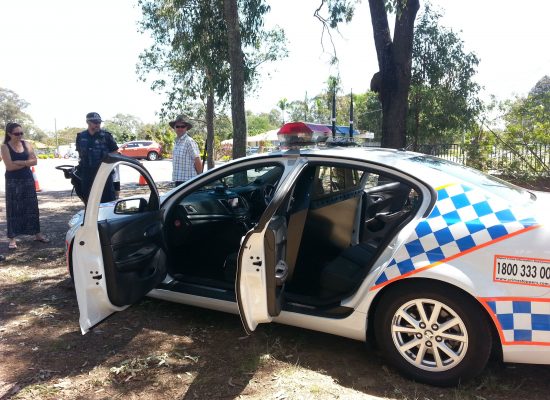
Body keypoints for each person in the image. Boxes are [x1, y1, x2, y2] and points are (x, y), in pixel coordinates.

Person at [1, 122, 49, 250]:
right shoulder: (5, 147)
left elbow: (35, 161)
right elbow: (10, 167)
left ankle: (37, 234)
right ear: (9, 134)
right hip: (13, 181)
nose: (20, 136)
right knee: (14, 209)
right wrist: (27, 163)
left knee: (32, 207)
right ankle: (12, 238)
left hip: (27, 179)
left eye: (21, 133)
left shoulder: (27, 144)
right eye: (17, 133)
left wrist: (20, 162)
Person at [75, 112, 119, 204]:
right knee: (89, 200)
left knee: (107, 201)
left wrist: (107, 161)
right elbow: (81, 155)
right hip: (87, 175)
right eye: (95, 122)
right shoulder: (80, 137)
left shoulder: (106, 136)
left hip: (104, 174)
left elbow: (115, 152)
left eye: (99, 122)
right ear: (88, 122)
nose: (98, 124)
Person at [170, 115, 202, 186]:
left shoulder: (189, 142)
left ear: (186, 128)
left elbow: (197, 160)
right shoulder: (176, 142)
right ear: (174, 128)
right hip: (178, 181)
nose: (180, 128)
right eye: (177, 126)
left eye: (182, 126)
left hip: (188, 182)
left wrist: (200, 178)